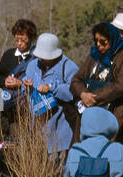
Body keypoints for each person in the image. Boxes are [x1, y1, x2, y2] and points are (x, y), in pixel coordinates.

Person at [69, 22, 123, 142]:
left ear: (112, 39)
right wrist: (83, 94)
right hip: (88, 110)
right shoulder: (94, 55)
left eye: (103, 41)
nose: (99, 45)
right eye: (96, 41)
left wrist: (94, 97)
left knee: (105, 149)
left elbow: (122, 85)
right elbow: (76, 80)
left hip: (112, 110)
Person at [19, 32, 79, 162]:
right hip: (36, 133)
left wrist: (52, 87)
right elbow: (25, 86)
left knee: (58, 174)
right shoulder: (32, 66)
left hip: (60, 135)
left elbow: (74, 92)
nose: (41, 59)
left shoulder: (69, 67)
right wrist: (26, 87)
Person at [0, 19, 36, 133]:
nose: (19, 44)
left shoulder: (37, 57)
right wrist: (5, 81)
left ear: (31, 39)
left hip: (25, 101)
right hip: (7, 97)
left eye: (23, 40)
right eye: (17, 40)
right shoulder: (8, 55)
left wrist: (21, 84)